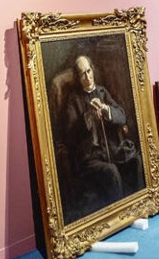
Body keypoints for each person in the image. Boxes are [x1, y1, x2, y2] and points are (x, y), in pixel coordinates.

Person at [61, 55, 143, 216]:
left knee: (136, 160)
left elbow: (122, 116)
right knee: (111, 172)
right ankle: (120, 217)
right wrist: (88, 117)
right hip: (90, 157)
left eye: (89, 71)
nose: (88, 76)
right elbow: (70, 136)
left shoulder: (102, 92)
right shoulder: (73, 100)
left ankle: (140, 207)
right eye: (82, 73)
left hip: (111, 150)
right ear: (78, 77)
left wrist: (107, 110)